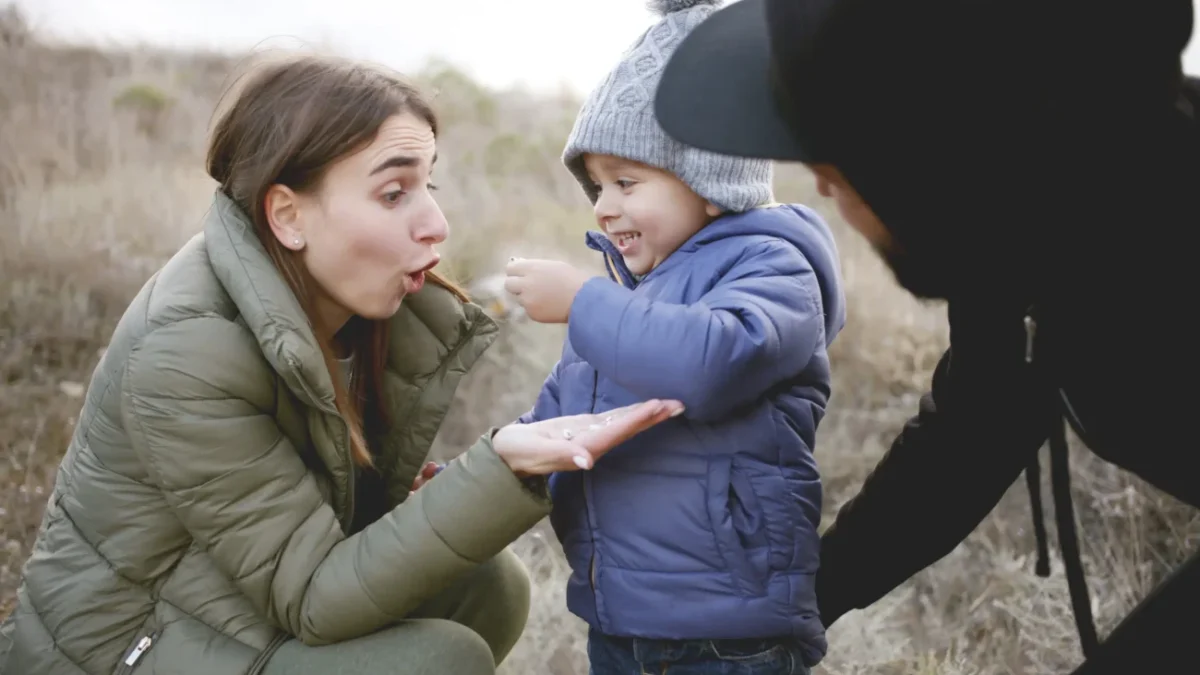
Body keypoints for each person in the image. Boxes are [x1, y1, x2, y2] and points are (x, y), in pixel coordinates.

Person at [0, 53, 685, 675]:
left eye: (429, 186)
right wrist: (502, 464)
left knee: (491, 590)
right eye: (394, 194)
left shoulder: (351, 305)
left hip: (230, 595)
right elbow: (314, 596)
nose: (436, 225)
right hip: (117, 648)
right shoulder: (185, 351)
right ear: (288, 215)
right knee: (434, 660)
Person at [650, 0, 1200, 672]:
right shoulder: (1025, 229)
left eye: (836, 153)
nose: (821, 183)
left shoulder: (1162, 251)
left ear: (926, 163)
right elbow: (980, 423)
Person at [502, 2, 846, 673]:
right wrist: (474, 472)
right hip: (621, 623)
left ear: (712, 181)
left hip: (728, 635)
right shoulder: (630, 302)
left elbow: (710, 360)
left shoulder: (774, 265)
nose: (604, 206)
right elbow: (555, 420)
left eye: (627, 181)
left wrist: (581, 302)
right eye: (597, 186)